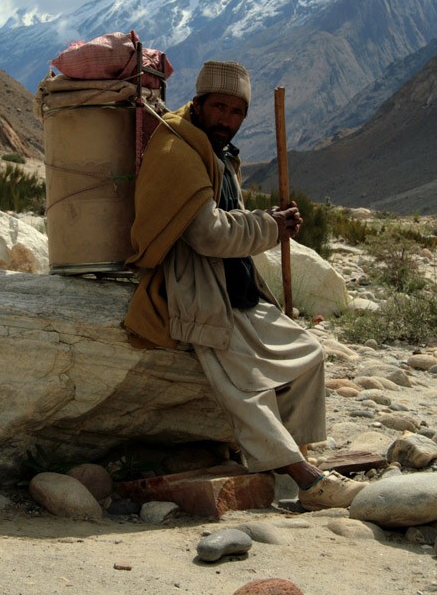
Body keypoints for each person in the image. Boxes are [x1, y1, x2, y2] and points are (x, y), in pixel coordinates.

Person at [124, 60, 367, 510]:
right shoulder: (178, 151)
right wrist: (270, 226)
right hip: (196, 287)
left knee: (308, 355)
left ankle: (287, 458)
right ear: (198, 104)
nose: (228, 120)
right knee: (245, 385)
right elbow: (208, 234)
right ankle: (306, 479)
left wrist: (269, 225)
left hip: (239, 288)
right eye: (219, 107)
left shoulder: (218, 152)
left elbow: (230, 221)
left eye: (237, 113)